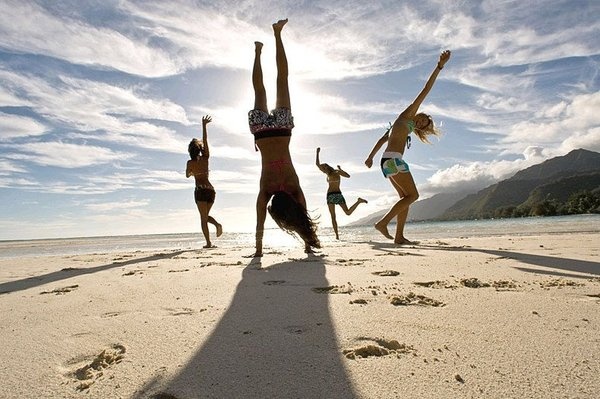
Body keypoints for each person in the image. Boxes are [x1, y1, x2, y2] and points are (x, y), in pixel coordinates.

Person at [249, 18, 320, 257]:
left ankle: (276, 34)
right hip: (262, 133)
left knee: (281, 79)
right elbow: (259, 222)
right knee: (260, 90)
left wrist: (308, 242)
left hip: (281, 129)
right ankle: (258, 51)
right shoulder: (266, 190)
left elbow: (304, 220)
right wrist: (258, 250)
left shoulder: (294, 189)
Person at [364, 50, 451, 244]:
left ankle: (399, 236)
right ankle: (383, 223)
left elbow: (382, 140)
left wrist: (371, 157)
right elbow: (425, 90)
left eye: (424, 125)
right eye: (423, 119)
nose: (421, 122)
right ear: (419, 113)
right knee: (413, 195)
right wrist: (439, 67)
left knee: (406, 198)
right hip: (393, 160)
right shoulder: (406, 115)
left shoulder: (406, 127)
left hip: (388, 161)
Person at [186, 115, 222, 248]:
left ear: (190, 151)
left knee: (203, 219)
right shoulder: (206, 158)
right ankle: (217, 225)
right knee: (205, 216)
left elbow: (187, 175)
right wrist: (204, 126)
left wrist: (192, 172)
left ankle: (208, 242)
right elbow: (205, 140)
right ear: (199, 149)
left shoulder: (190, 162)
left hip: (200, 190)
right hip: (211, 191)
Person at [315, 147, 367, 240]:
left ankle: (358, 201)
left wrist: (340, 169)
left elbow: (348, 176)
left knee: (347, 213)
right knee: (333, 216)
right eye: (322, 168)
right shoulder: (327, 174)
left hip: (338, 194)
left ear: (327, 166)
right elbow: (317, 164)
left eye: (324, 167)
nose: (322, 169)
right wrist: (317, 153)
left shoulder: (337, 172)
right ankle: (337, 236)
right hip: (330, 196)